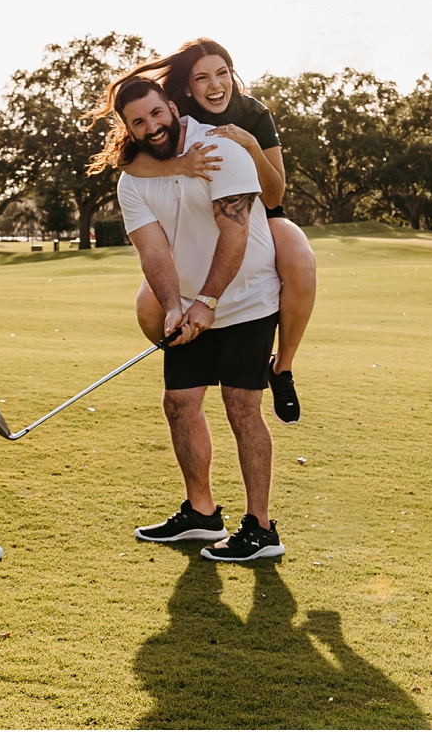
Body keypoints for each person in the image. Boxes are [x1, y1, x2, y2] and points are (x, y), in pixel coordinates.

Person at [96, 76, 286, 562]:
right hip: (191, 304)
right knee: (179, 404)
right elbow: (153, 251)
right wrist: (176, 305)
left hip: (247, 299)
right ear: (128, 128)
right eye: (138, 122)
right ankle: (202, 514)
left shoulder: (221, 148)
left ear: (172, 109)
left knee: (242, 407)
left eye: (156, 114)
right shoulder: (132, 178)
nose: (151, 127)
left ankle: (261, 529)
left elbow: (235, 232)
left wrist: (207, 300)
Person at [93, 38, 315, 425]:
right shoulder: (174, 112)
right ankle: (205, 361)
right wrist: (178, 166)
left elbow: (276, 191)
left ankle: (282, 368)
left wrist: (250, 146)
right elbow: (128, 163)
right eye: (202, 78)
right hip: (197, 217)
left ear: (232, 75)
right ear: (186, 89)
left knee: (300, 260)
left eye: (222, 73)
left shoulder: (254, 113)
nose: (214, 85)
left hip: (262, 213)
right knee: (149, 308)